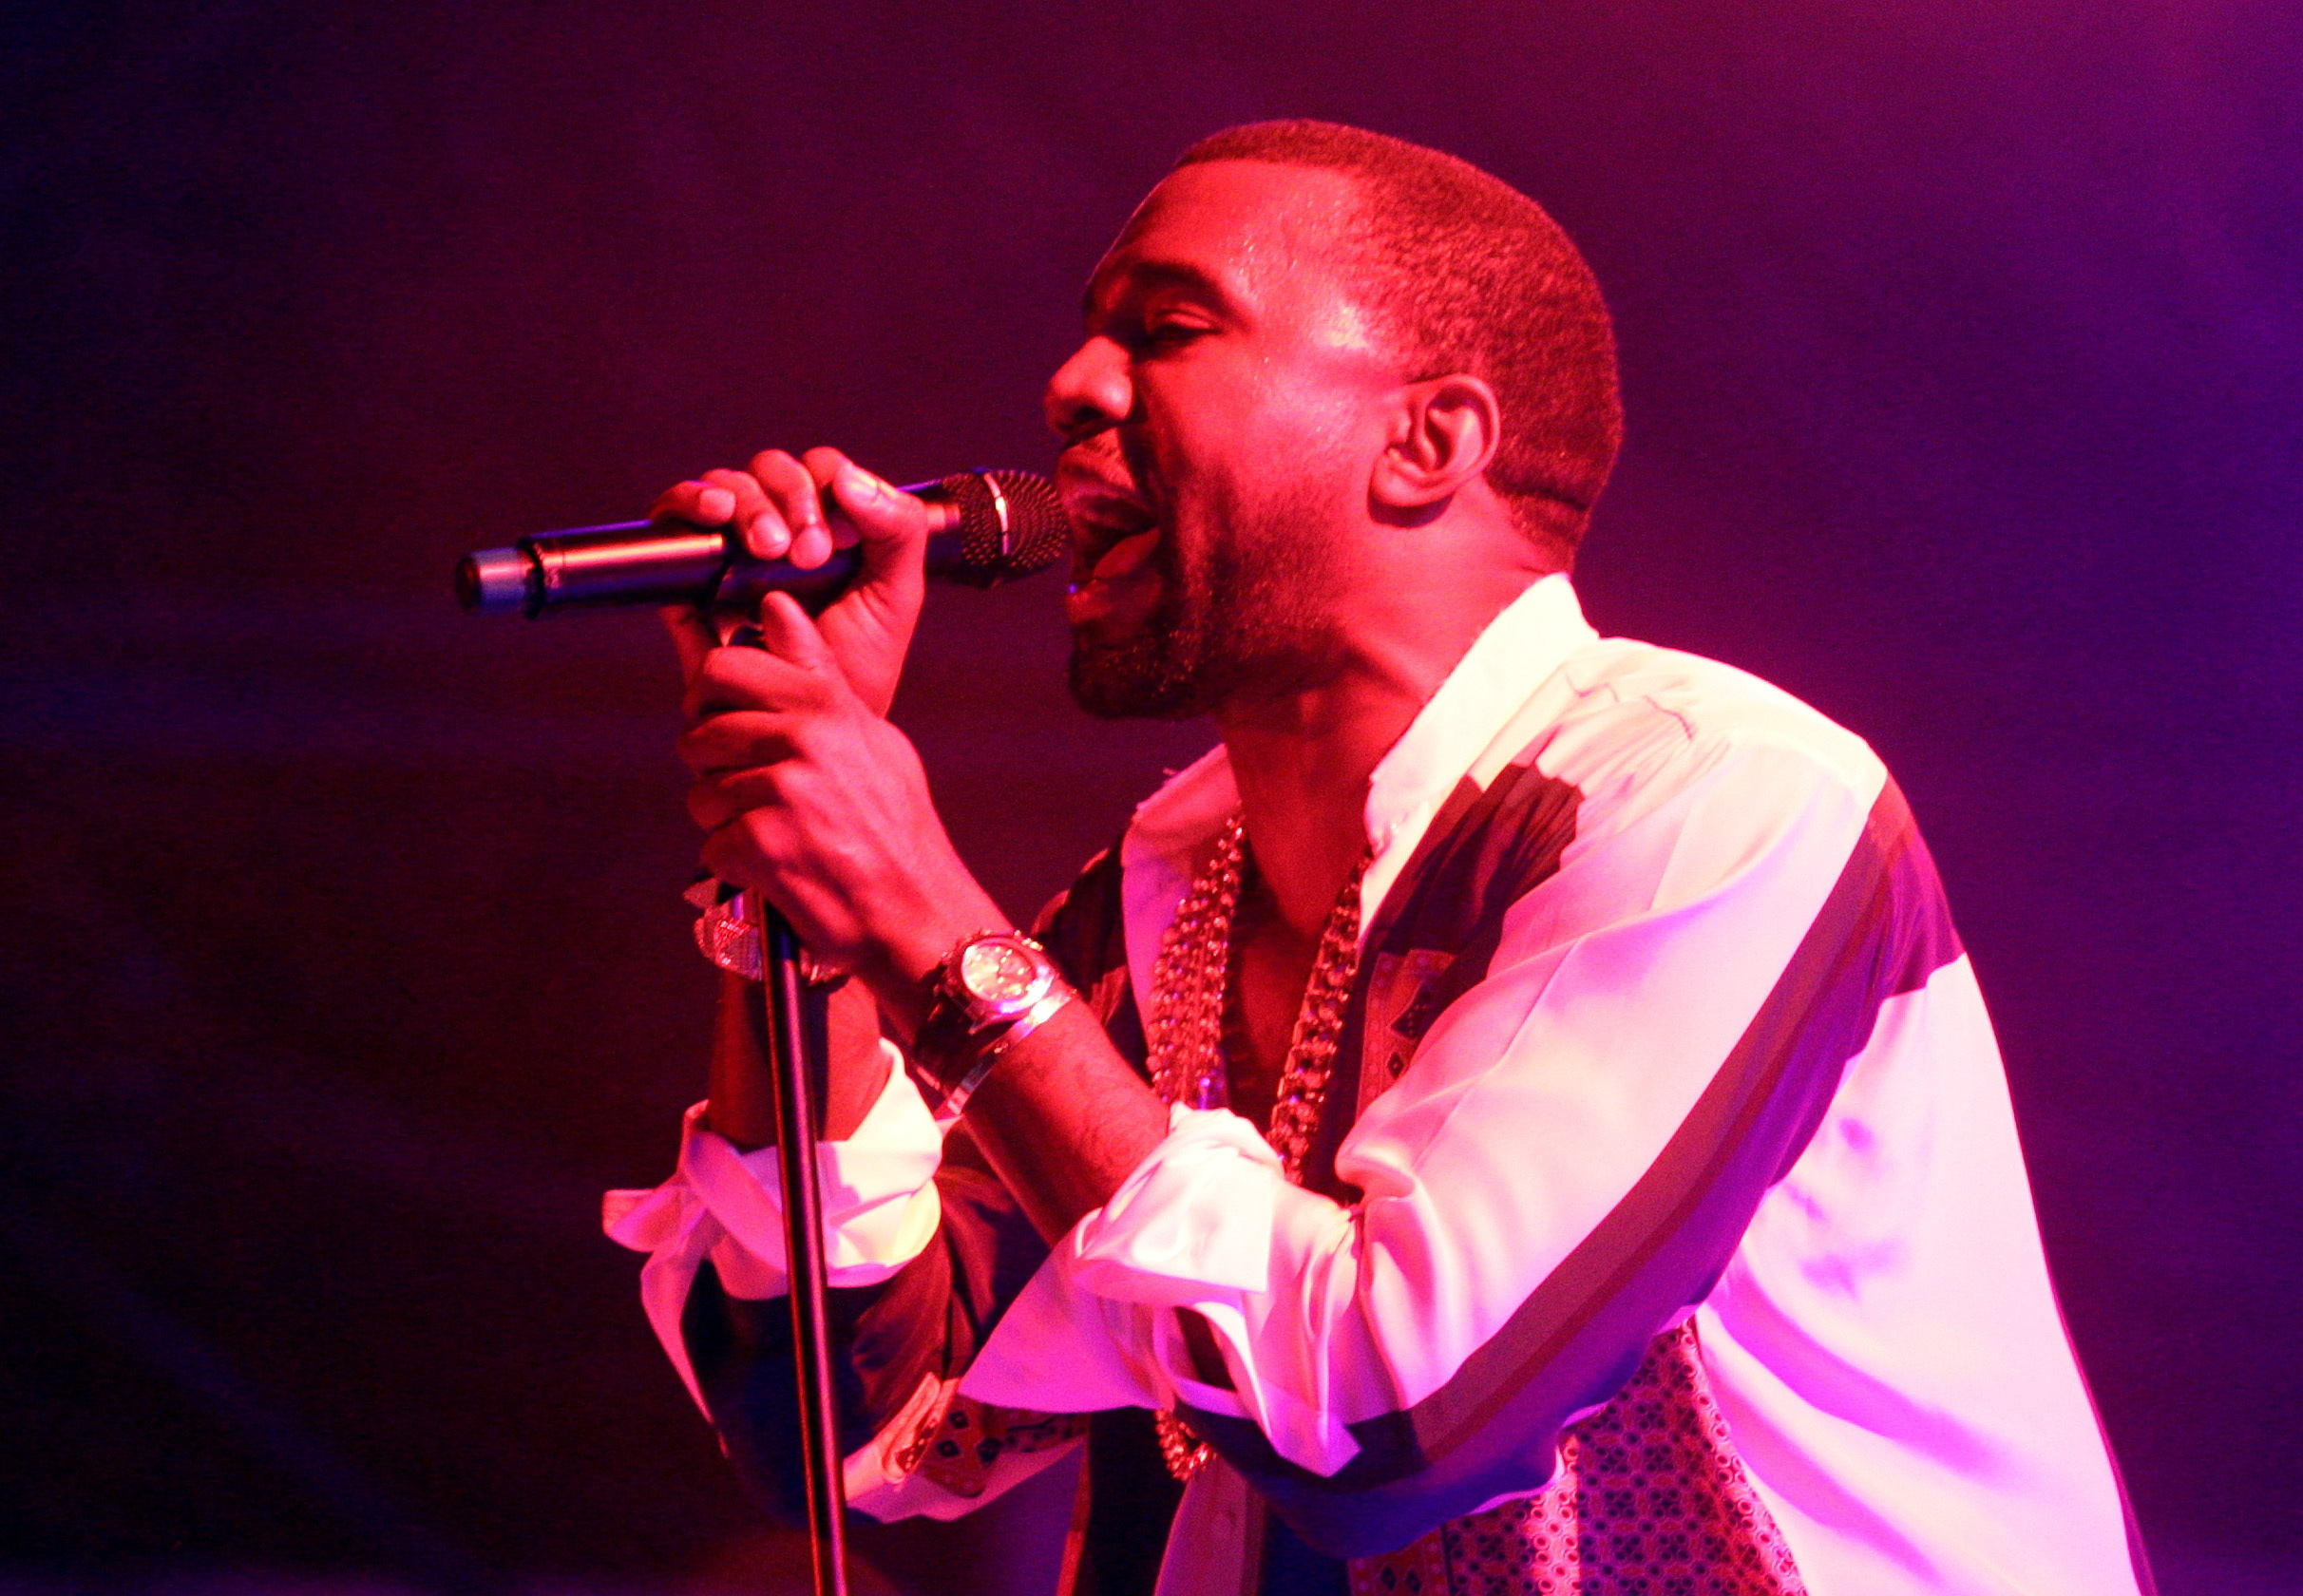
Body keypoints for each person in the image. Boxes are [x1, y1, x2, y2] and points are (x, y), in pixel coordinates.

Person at [602, 122, 2151, 1596]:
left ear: (1429, 442)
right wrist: (802, 898)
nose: (1074, 384)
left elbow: (1403, 1419)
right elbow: (839, 1418)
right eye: (1092, 334)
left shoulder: (1718, 804)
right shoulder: (1162, 908)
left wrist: (926, 914)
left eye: (1171, 328)